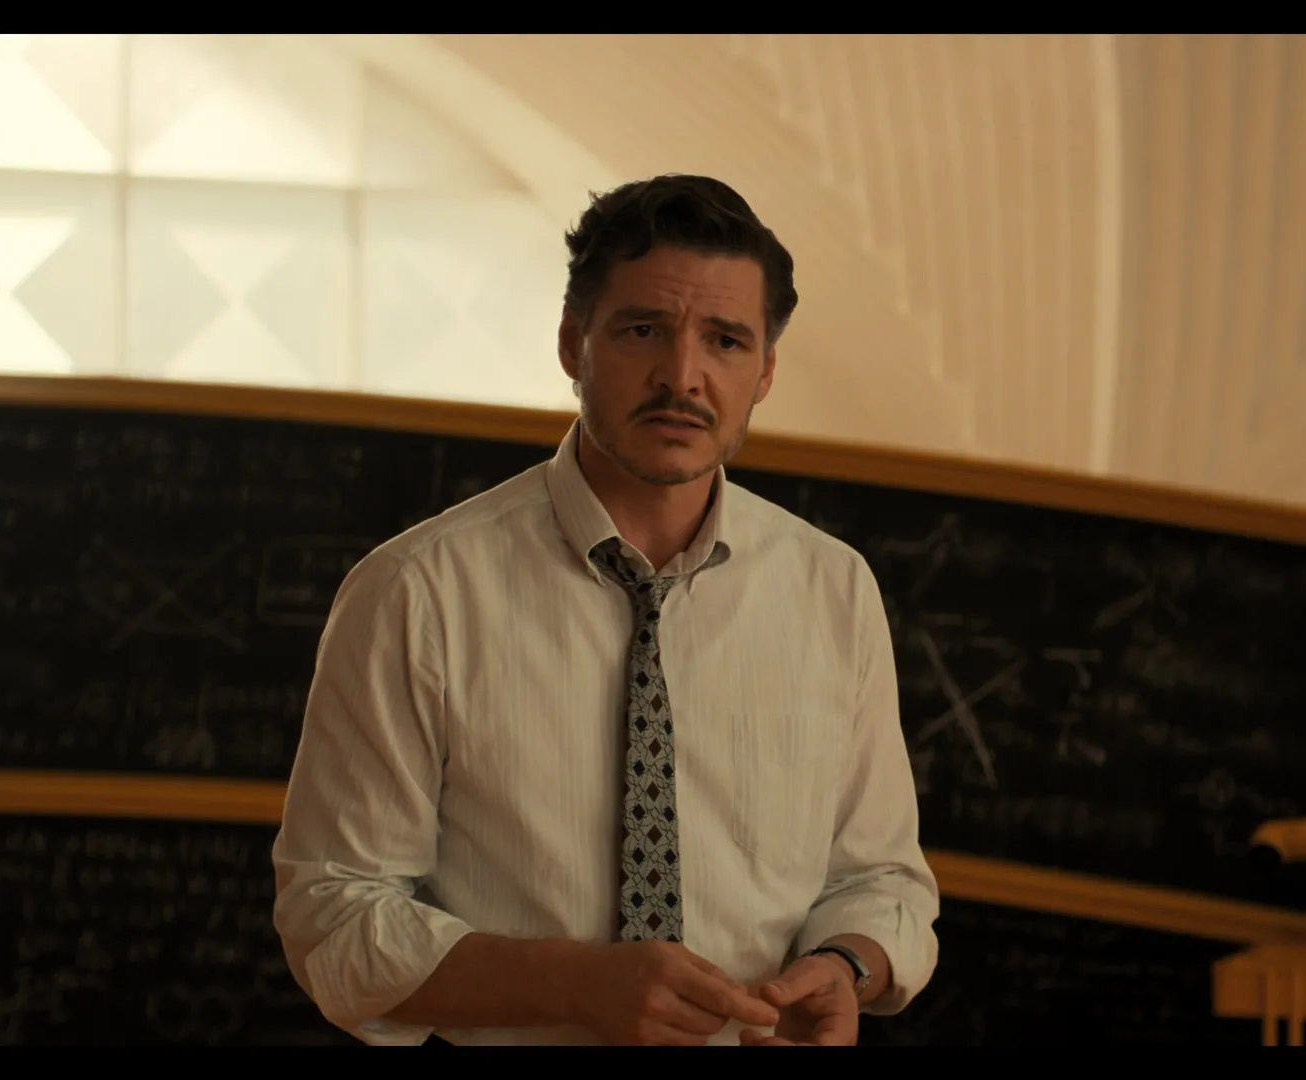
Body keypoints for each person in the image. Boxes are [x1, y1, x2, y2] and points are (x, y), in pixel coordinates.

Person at [270, 174, 941, 1047]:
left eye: (725, 340)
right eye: (642, 330)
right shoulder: (417, 591)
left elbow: (881, 878)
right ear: (571, 342)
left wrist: (848, 965)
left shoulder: (833, 591)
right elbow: (335, 914)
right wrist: (576, 985)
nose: (682, 376)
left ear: (766, 371)